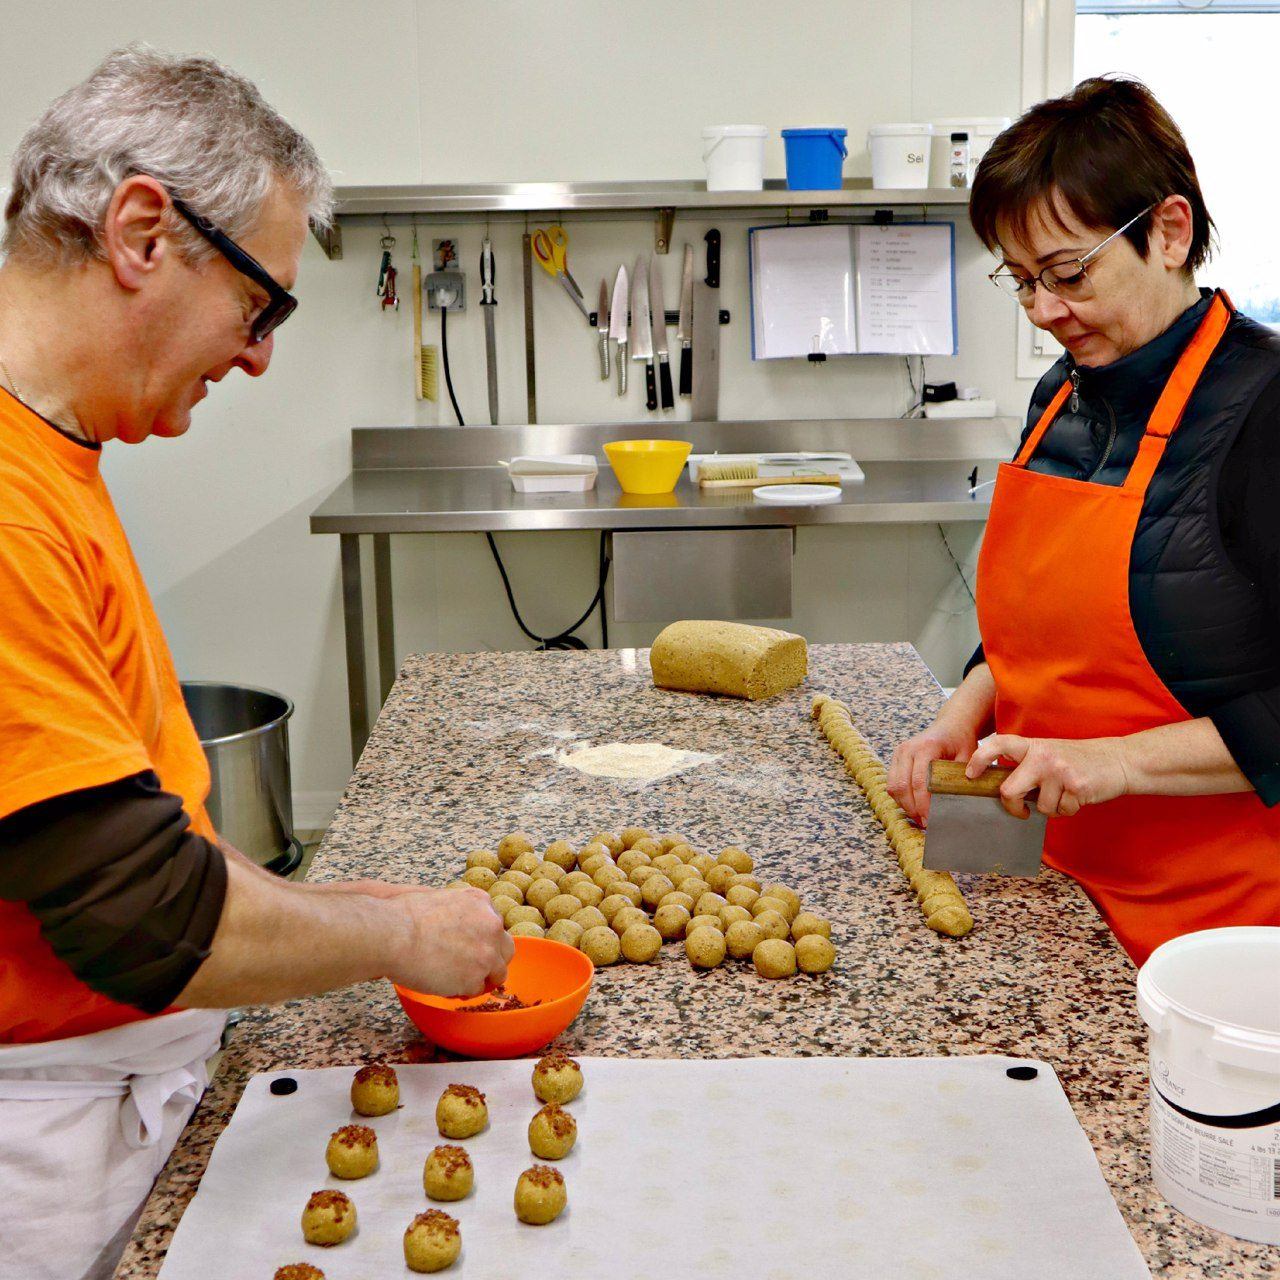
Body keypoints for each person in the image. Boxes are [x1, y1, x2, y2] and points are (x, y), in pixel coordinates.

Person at [0, 46, 511, 1280]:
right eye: (263, 304)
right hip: (46, 1139)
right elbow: (140, 916)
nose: (259, 353)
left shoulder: (52, 459)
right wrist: (389, 940)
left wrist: (362, 908)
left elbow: (133, 813)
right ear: (141, 232)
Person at [888, 76, 1280, 968]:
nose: (1045, 312)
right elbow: (1048, 632)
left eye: (1069, 273)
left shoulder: (1266, 412)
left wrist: (1118, 764)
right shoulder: (1058, 396)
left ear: (1170, 233)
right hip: (1046, 893)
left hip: (1220, 935)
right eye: (1022, 282)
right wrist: (967, 709)